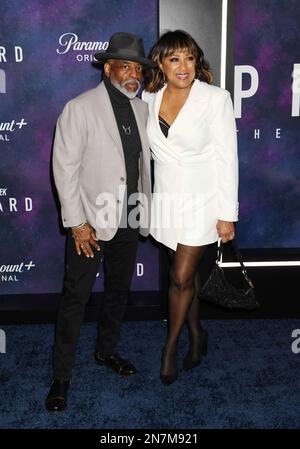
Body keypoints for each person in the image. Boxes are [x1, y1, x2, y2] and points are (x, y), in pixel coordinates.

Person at [45, 32, 153, 412]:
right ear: (108, 68)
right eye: (125, 65)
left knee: (118, 293)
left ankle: (106, 352)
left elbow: (141, 168)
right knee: (76, 298)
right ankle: (61, 376)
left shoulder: (142, 110)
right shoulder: (79, 108)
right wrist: (77, 223)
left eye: (138, 68)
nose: (133, 73)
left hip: (128, 220)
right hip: (90, 223)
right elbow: (65, 169)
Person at [142, 30, 239, 385]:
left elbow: (228, 158)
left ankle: (170, 348)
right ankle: (197, 333)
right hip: (166, 199)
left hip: (203, 200)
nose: (183, 66)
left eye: (189, 58)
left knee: (180, 278)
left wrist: (227, 213)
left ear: (197, 62)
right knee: (190, 278)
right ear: (161, 64)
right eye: (174, 59)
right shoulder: (150, 96)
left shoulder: (216, 99)